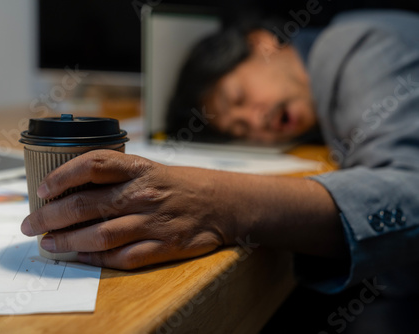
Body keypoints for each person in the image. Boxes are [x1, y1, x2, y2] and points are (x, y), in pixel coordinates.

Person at [21, 9, 419, 332]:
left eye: (240, 96)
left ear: (261, 43)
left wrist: (223, 201)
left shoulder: (359, 45)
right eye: (240, 128)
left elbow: (412, 189)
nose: (255, 121)